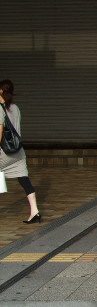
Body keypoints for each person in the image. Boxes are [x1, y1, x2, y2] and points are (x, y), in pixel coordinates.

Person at [0, 79, 42, 224]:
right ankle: (35, 211)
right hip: (18, 151)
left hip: (3, 151)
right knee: (24, 179)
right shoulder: (16, 108)